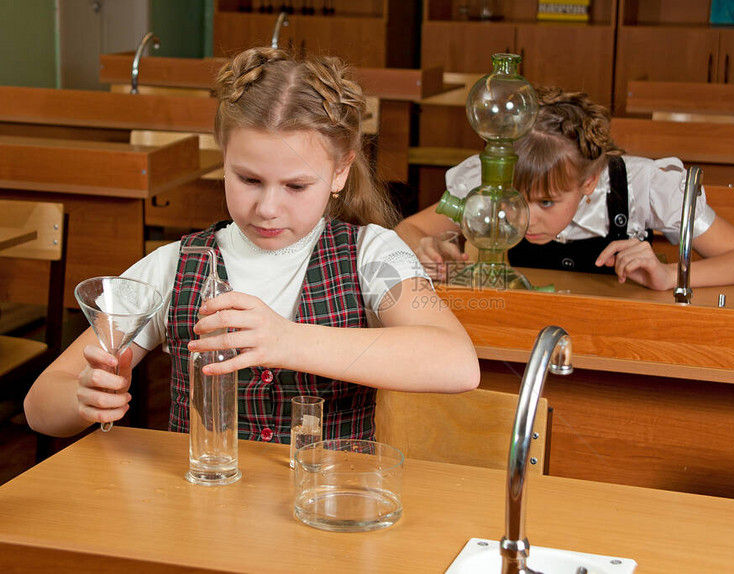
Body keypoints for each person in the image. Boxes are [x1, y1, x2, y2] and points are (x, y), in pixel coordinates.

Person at [24, 47, 480, 443]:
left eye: (296, 186)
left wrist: (289, 340)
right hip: (201, 517)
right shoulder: (172, 267)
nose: (268, 208)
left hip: (325, 515)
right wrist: (82, 395)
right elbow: (40, 406)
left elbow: (456, 363)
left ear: (340, 171)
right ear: (223, 158)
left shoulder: (375, 256)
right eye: (249, 179)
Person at [396, 88, 734, 291]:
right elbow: (407, 230)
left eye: (547, 201)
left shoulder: (643, 185)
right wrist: (424, 247)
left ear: (589, 183)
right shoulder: (490, 175)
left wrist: (669, 275)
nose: (527, 216)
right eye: (517, 198)